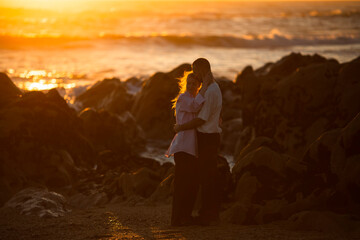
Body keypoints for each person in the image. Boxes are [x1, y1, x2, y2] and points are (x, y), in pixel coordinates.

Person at [174, 58, 222, 226]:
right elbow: (198, 109)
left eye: (195, 71)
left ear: (202, 69)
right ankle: (194, 216)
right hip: (197, 141)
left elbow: (200, 119)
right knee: (200, 179)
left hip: (207, 139)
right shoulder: (209, 90)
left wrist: (180, 127)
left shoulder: (210, 91)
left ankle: (207, 216)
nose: (194, 76)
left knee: (207, 179)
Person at [166, 71, 208, 226]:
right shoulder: (184, 98)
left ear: (198, 85)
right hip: (183, 147)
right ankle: (177, 219)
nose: (191, 86)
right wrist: (204, 90)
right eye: (189, 83)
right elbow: (196, 107)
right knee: (182, 185)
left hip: (190, 148)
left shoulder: (192, 98)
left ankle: (185, 216)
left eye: (194, 84)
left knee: (190, 183)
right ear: (185, 84)